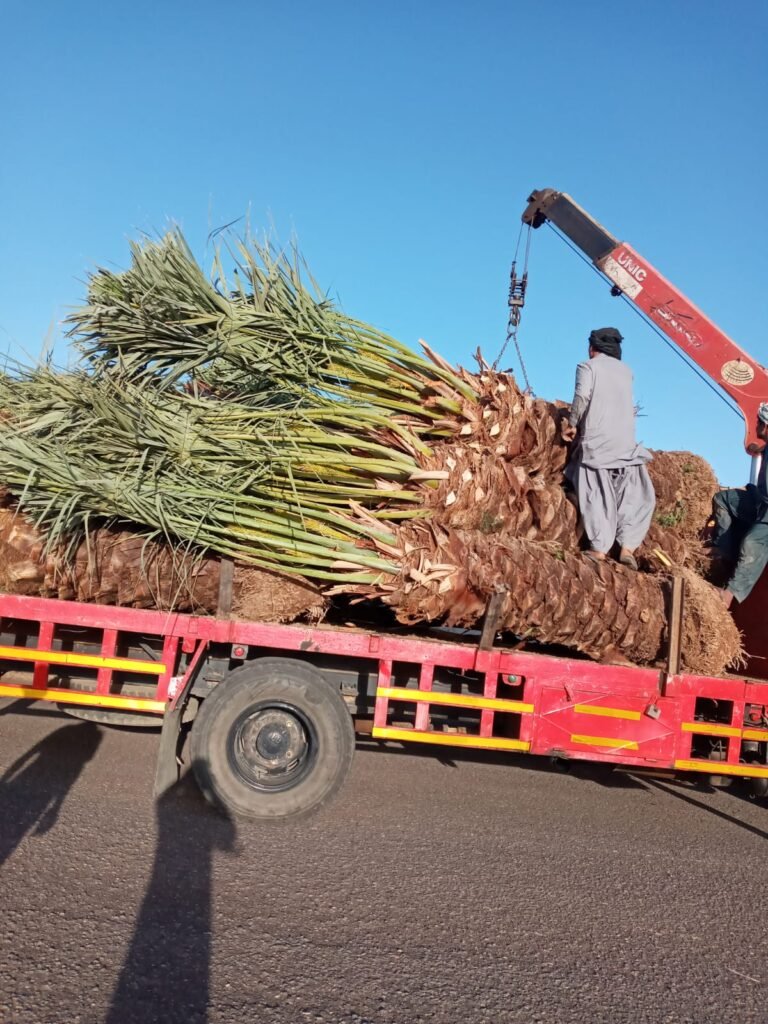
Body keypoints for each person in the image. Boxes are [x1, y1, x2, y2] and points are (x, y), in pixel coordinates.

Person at [561, 327, 655, 570]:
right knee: (632, 496)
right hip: (626, 445)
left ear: (592, 348)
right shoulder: (627, 372)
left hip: (598, 442)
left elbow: (582, 396)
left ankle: (600, 549)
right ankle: (627, 548)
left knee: (596, 493)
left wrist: (571, 425)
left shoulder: (588, 366)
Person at [710, 403, 768, 608]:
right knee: (723, 499)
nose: (756, 426)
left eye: (759, 423)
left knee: (752, 542)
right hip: (759, 501)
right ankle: (722, 550)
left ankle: (729, 594)